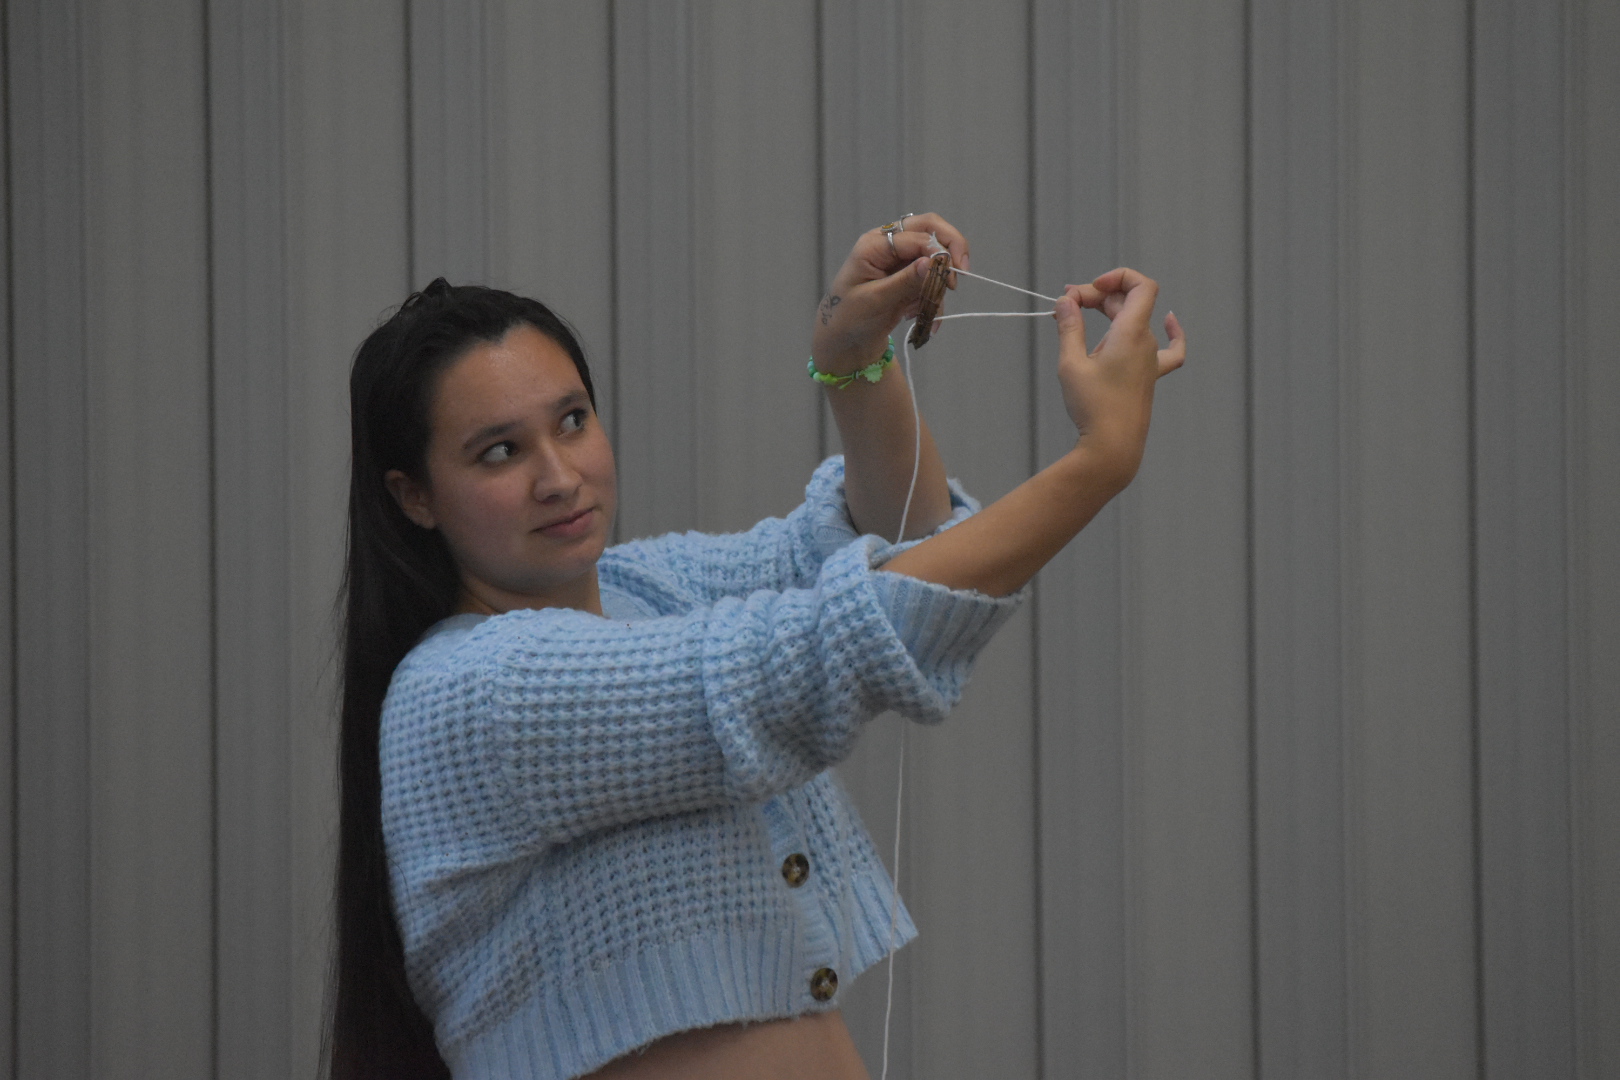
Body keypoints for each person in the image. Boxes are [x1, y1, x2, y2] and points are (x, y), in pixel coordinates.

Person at [327, 214, 1186, 1080]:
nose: (558, 475)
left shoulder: (649, 591)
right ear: (415, 496)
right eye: (500, 451)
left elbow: (898, 542)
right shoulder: (471, 689)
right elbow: (813, 654)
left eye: (574, 420)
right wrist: (1100, 460)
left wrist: (854, 360)